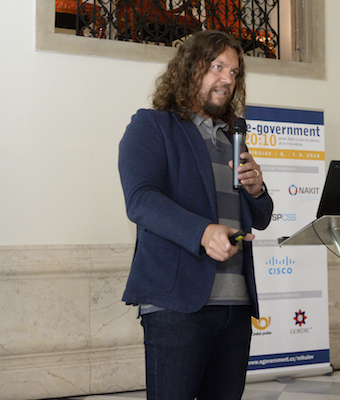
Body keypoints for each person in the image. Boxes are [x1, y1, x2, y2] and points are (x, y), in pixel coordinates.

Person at [118, 30, 273, 400]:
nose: (227, 79)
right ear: (190, 68)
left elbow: (262, 216)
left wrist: (257, 190)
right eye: (217, 67)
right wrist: (203, 232)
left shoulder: (232, 139)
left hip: (235, 305)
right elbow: (141, 199)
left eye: (234, 72)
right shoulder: (152, 126)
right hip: (177, 304)